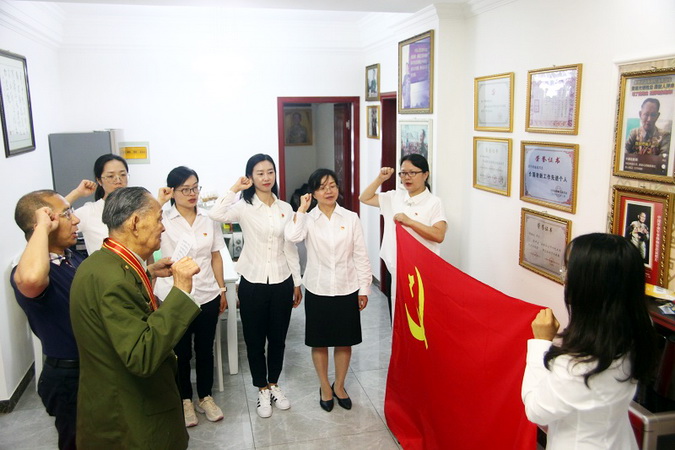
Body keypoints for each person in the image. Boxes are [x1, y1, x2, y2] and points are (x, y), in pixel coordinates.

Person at [69, 187, 202, 449]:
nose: (163, 227)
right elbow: (142, 355)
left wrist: (148, 273)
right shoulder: (114, 280)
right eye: (159, 218)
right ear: (135, 223)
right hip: (129, 416)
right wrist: (180, 291)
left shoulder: (103, 263)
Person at [521, 233, 659, 450]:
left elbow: (536, 410)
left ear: (588, 286)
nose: (565, 278)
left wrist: (541, 342)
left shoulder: (579, 365)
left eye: (569, 270)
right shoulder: (636, 328)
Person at [209, 153, 302, 418]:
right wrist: (235, 188)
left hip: (282, 280)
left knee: (278, 339)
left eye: (270, 172)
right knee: (254, 339)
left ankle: (274, 384)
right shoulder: (243, 206)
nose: (266, 177)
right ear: (251, 176)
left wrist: (297, 282)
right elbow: (215, 214)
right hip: (252, 282)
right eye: (259, 173)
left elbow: (290, 247)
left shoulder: (285, 208)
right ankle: (261, 388)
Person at [285, 169, 371, 412]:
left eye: (332, 185)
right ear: (313, 193)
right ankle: (325, 387)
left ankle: (340, 386)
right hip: (318, 288)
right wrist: (301, 210)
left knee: (344, 341)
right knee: (320, 342)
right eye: (322, 187)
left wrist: (364, 288)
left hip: (347, 286)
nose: (329, 191)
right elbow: (291, 236)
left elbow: (361, 255)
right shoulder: (308, 219)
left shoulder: (351, 218)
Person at [10, 190, 83, 450]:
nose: (75, 220)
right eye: (67, 215)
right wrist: (41, 226)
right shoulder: (29, 272)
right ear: (45, 222)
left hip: (90, 368)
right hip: (69, 377)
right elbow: (32, 279)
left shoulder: (70, 258)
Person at [156, 166, 226, 427]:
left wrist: (222, 289)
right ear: (172, 191)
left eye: (195, 187)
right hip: (175, 296)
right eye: (185, 189)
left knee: (205, 350)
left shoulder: (208, 218)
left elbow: (215, 256)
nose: (192, 193)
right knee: (181, 352)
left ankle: (205, 397)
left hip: (206, 293)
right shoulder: (162, 218)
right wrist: (159, 202)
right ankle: (185, 399)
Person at [359, 153, 447, 318]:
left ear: (425, 175)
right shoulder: (394, 196)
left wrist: (410, 222)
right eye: (403, 173)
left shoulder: (434, 202)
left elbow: (439, 234)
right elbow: (364, 198)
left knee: (419, 317)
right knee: (397, 315)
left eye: (413, 173)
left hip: (421, 272)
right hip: (395, 268)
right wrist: (380, 179)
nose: (407, 177)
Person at [66, 154, 129, 255]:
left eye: (122, 175)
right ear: (99, 180)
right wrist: (77, 193)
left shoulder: (138, 206)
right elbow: (54, 217)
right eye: (110, 176)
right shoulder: (90, 211)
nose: (118, 180)